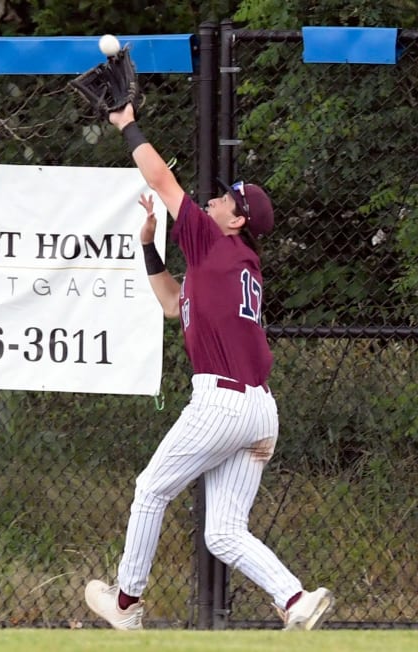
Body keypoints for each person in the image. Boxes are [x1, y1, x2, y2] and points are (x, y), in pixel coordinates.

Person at [84, 103, 334, 631]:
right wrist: (149, 246)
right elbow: (174, 303)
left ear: (238, 220)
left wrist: (125, 123)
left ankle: (126, 605)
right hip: (260, 412)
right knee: (222, 531)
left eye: (226, 199)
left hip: (222, 401)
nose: (214, 200)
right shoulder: (227, 263)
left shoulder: (215, 243)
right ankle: (295, 599)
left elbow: (160, 177)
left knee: (151, 489)